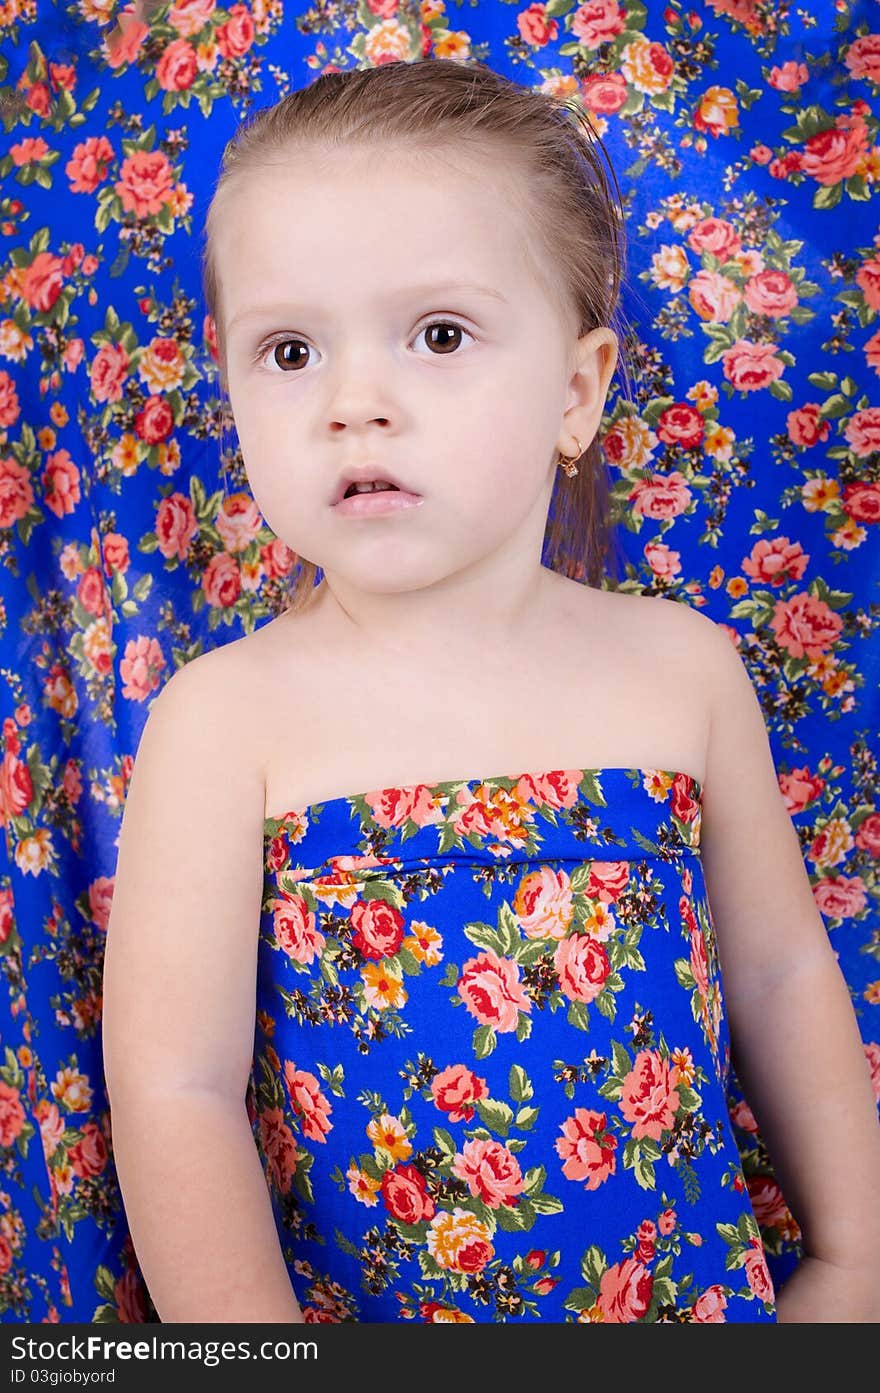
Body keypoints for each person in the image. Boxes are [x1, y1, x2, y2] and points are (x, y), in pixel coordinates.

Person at [101, 58, 880, 1324]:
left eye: (440, 335)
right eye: (290, 349)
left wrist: (854, 1258)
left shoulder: (682, 669)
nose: (355, 405)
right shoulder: (224, 716)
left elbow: (782, 972)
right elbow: (175, 1088)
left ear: (576, 392)